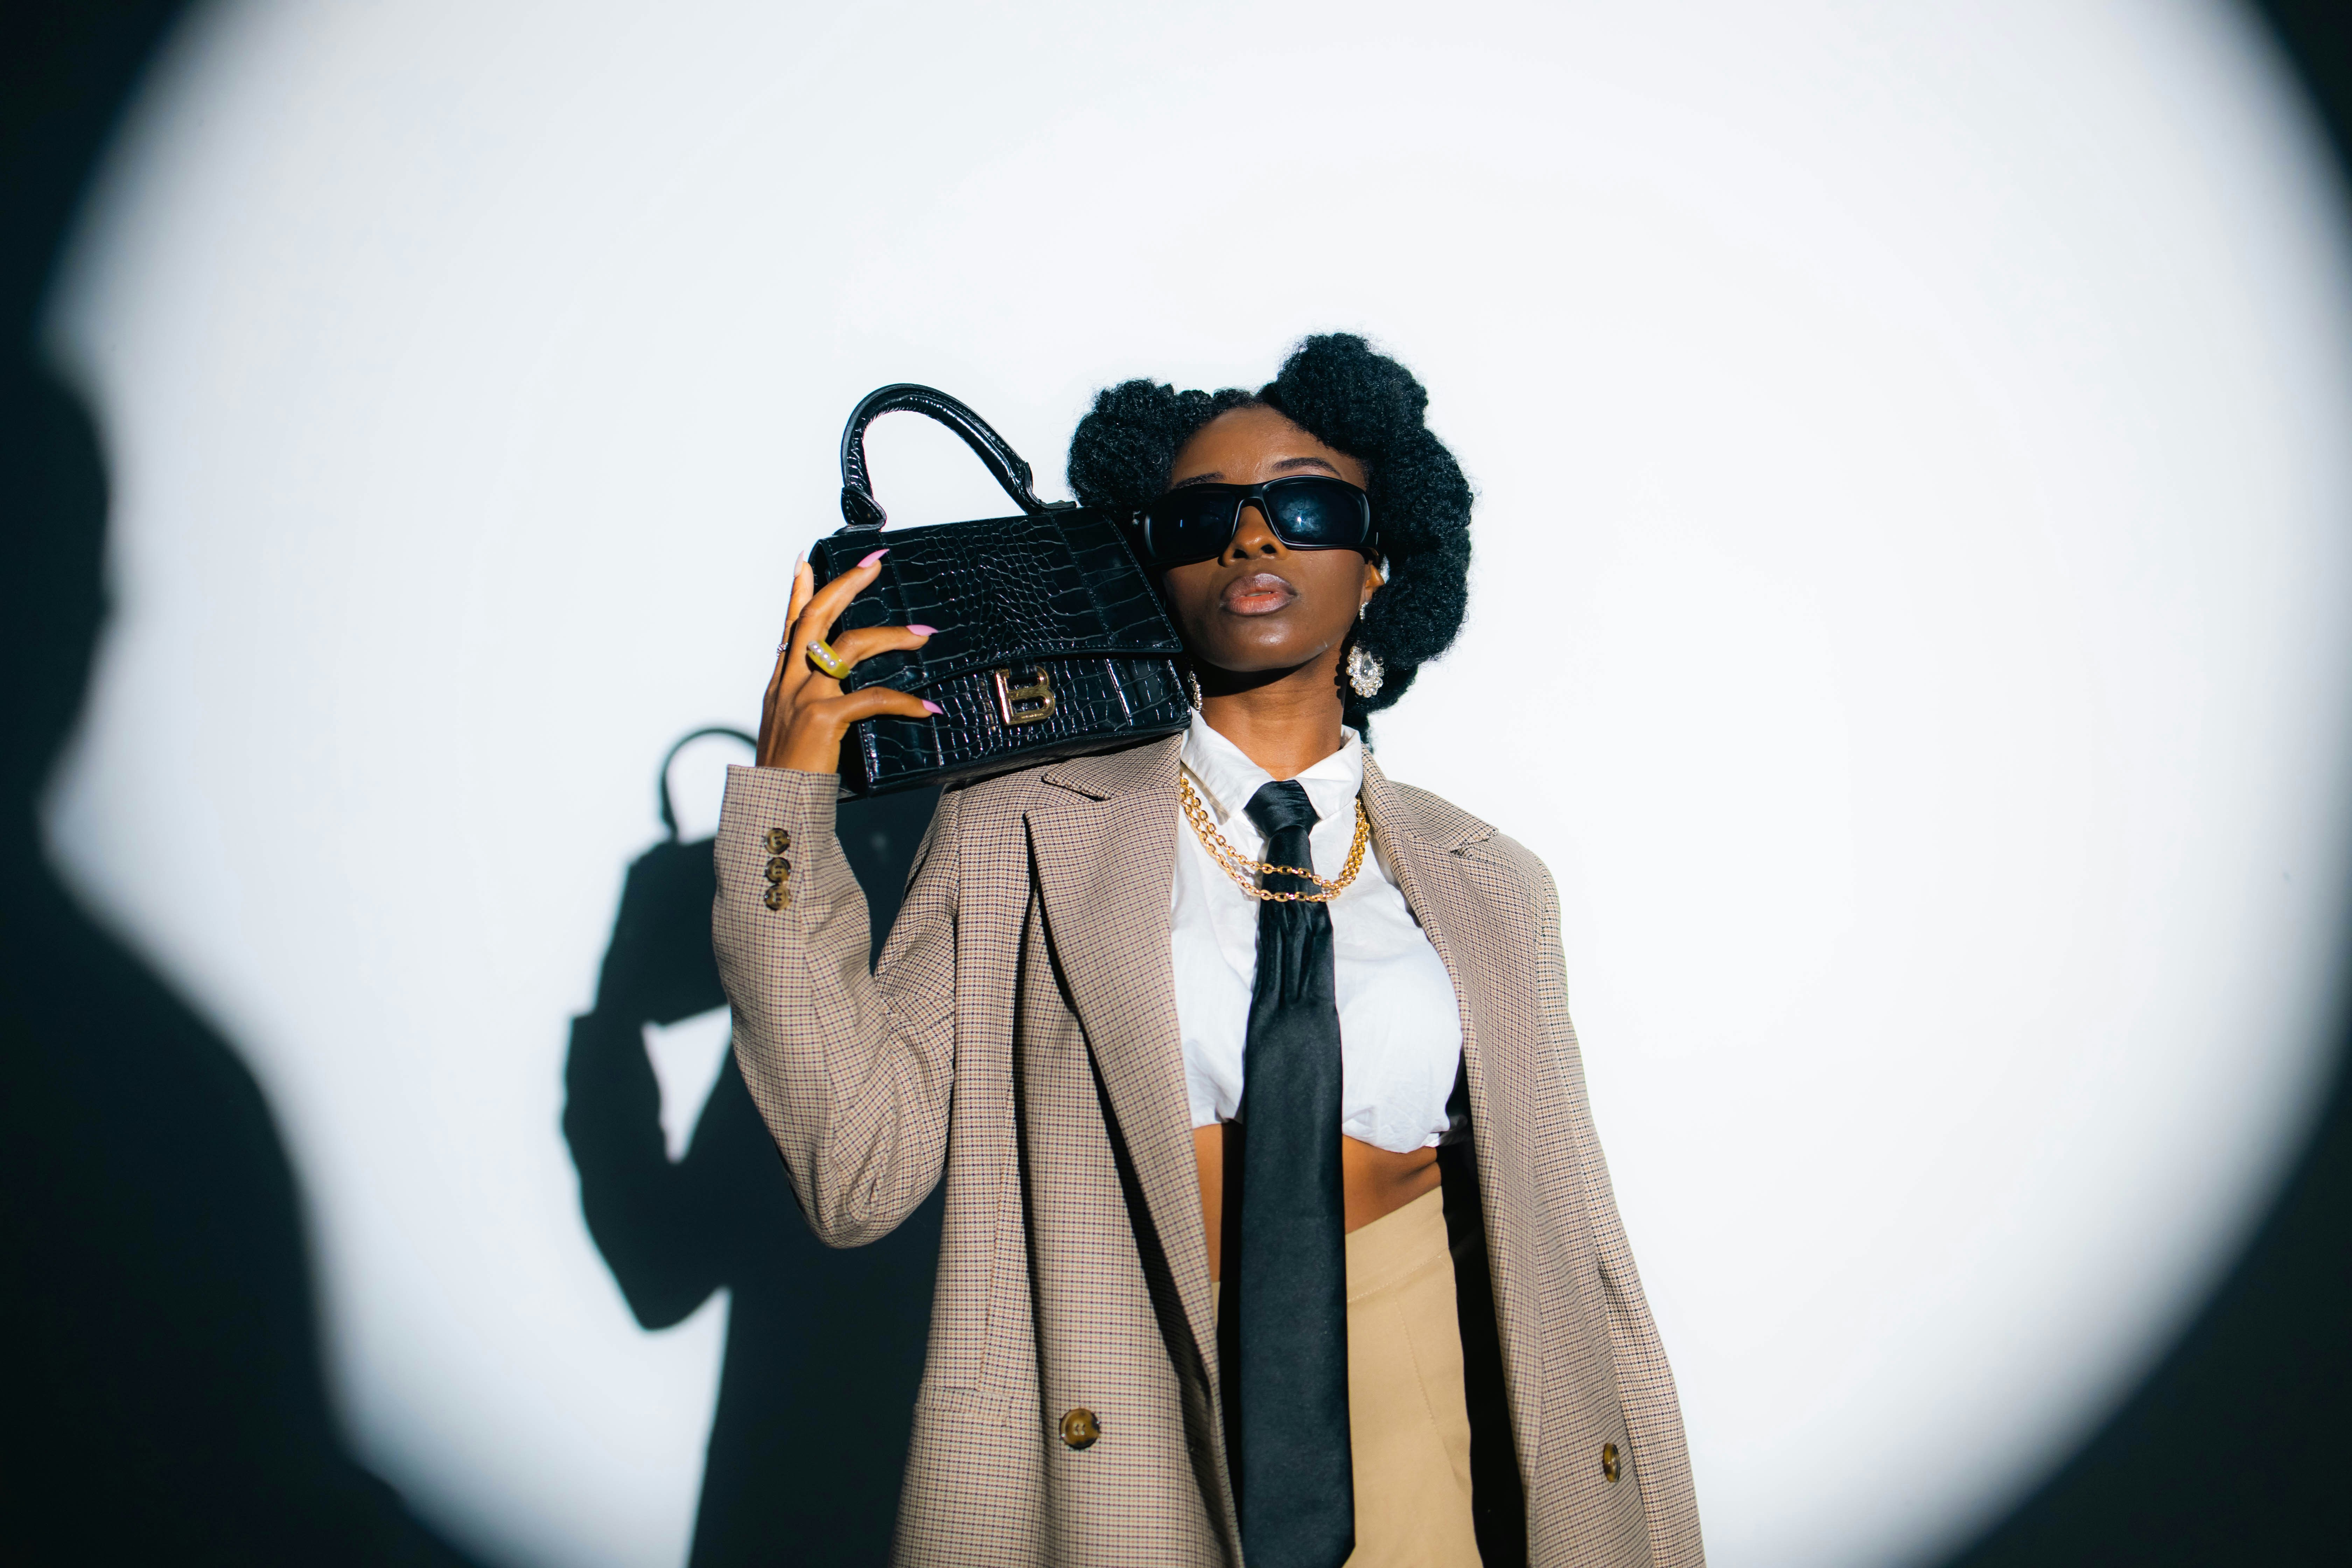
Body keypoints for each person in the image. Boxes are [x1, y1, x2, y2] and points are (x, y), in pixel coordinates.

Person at [711, 335, 1702, 1567]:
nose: (1252, 540)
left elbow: (1581, 1250)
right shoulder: (1017, 829)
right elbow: (858, 1170)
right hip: (1117, 1392)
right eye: (1201, 521)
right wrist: (791, 806)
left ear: (1383, 560)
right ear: (1146, 567)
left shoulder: (1492, 885)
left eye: (1303, 504)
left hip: (1433, 1393)